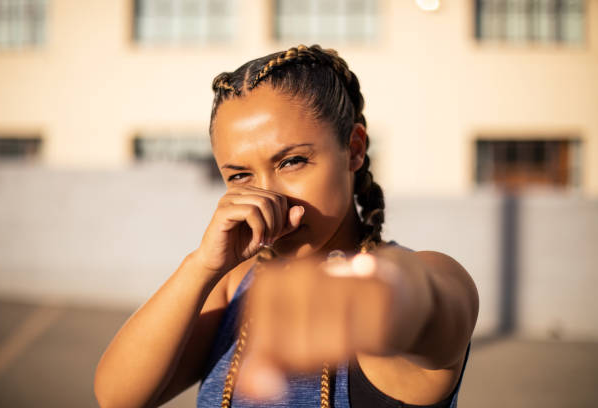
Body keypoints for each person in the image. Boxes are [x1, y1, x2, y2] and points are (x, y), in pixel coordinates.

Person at [94, 44, 479, 408]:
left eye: (292, 161)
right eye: (241, 175)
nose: (268, 199)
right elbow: (118, 398)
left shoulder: (432, 273)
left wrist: (369, 296)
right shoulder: (232, 284)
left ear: (355, 148)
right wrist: (202, 266)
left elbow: (426, 302)